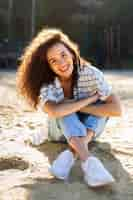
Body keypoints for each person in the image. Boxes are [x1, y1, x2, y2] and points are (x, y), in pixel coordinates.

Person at [17, 28, 122, 187]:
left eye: (63, 55)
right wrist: (92, 98)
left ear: (72, 54)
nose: (61, 63)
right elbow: (54, 111)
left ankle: (72, 154)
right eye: (53, 61)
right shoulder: (48, 83)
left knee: (99, 106)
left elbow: (116, 110)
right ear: (49, 66)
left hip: (88, 130)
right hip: (58, 133)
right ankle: (88, 161)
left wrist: (78, 106)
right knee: (63, 109)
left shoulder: (91, 74)